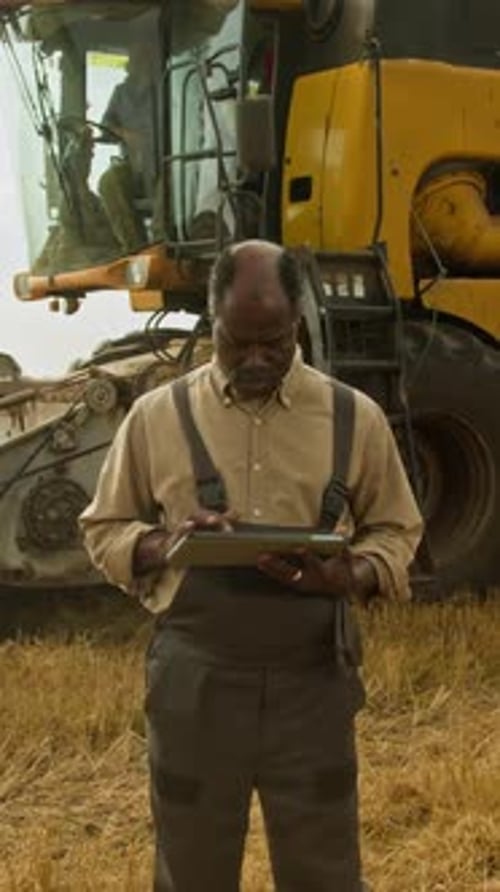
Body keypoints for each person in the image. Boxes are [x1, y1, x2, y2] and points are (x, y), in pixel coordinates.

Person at [79, 239, 423, 892]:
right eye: (239, 343)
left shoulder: (357, 418)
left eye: (275, 341)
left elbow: (399, 530)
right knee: (193, 870)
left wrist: (352, 574)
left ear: (298, 324)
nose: (259, 358)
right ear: (213, 324)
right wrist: (169, 543)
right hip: (196, 687)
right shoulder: (157, 417)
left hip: (312, 683)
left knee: (324, 873)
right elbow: (103, 529)